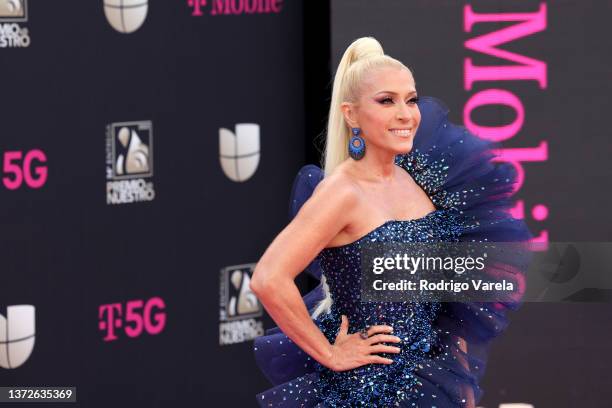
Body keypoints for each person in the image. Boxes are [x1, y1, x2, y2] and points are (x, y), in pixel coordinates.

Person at [250, 37, 531, 407]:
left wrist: (460, 386)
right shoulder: (342, 193)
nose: (406, 114)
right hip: (373, 389)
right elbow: (269, 278)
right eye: (386, 101)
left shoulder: (418, 176)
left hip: (435, 377)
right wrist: (331, 353)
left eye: (410, 99)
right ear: (351, 114)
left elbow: (443, 299)